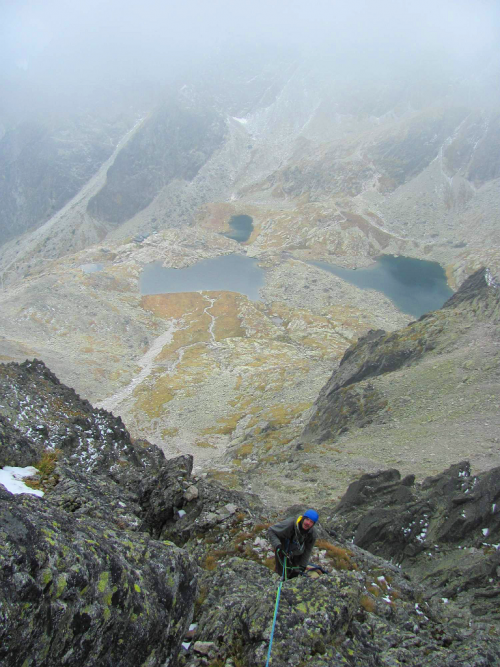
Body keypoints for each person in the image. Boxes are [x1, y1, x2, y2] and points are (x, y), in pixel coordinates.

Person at [267, 509, 319, 579]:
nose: (308, 523)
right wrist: (278, 545)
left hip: (297, 554)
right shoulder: (290, 524)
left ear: (313, 524)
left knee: (295, 575)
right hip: (283, 551)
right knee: (281, 575)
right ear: (303, 518)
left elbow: (308, 550)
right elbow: (271, 531)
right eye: (307, 519)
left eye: (311, 522)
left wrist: (302, 566)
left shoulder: (312, 534)